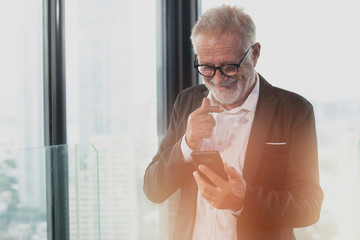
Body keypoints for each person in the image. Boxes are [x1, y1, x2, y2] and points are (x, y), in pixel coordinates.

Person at [143, 5, 323, 240]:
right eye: (207, 68)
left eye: (230, 67)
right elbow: (153, 189)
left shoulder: (294, 111)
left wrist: (243, 200)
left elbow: (309, 207)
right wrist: (187, 144)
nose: (218, 79)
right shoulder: (187, 102)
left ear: (255, 54)